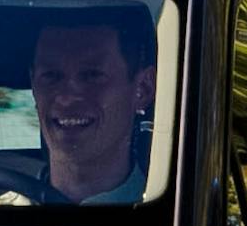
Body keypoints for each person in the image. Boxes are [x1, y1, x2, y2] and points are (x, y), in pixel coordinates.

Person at [28, 11, 157, 203]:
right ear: (33, 86)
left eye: (92, 75)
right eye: (51, 76)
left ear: (143, 89)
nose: (66, 98)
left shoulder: (177, 215)